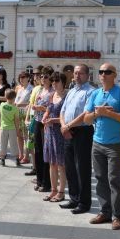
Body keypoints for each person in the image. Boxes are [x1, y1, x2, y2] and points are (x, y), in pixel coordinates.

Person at [83, 64, 120, 230]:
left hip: (115, 144)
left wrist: (109, 113)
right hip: (97, 142)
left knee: (114, 180)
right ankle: (105, 212)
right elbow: (86, 119)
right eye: (101, 71)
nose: (103, 74)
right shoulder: (95, 94)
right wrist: (97, 113)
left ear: (114, 75)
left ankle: (118, 216)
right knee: (100, 178)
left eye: (107, 72)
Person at [59, 64, 94, 214]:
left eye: (80, 73)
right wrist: (63, 126)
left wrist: (68, 126)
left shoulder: (91, 92)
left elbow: (86, 114)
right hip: (67, 130)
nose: (77, 76)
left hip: (82, 131)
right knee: (70, 166)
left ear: (87, 75)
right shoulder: (71, 91)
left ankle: (84, 202)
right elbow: (63, 110)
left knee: (82, 168)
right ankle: (73, 198)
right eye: (75, 73)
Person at [41, 72, 68, 202]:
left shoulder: (67, 96)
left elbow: (67, 118)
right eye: (53, 81)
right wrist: (45, 117)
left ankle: (61, 192)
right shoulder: (52, 95)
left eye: (57, 81)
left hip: (60, 133)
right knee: (52, 163)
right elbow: (48, 110)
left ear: (63, 82)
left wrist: (53, 120)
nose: (54, 83)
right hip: (49, 133)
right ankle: (53, 190)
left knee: (61, 164)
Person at [30, 67, 54, 192]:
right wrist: (35, 108)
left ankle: (46, 183)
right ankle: (39, 180)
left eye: (45, 77)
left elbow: (53, 109)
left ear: (51, 78)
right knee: (37, 150)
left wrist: (41, 108)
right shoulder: (40, 90)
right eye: (42, 76)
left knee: (45, 153)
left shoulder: (52, 92)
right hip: (38, 121)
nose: (42, 79)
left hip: (46, 124)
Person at [24, 67, 44, 177]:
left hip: (39, 119)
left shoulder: (44, 88)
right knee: (31, 145)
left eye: (38, 74)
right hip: (32, 118)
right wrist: (27, 118)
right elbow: (31, 104)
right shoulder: (35, 89)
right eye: (34, 74)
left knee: (38, 146)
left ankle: (38, 168)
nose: (35, 76)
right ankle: (35, 166)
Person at [0, 89, 21, 167]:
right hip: (12, 128)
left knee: (3, 143)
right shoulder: (15, 109)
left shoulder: (2, 105)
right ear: (14, 98)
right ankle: (17, 159)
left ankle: (2, 159)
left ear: (6, 97)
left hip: (3, 127)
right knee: (14, 144)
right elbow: (16, 121)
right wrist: (18, 130)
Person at [14, 72, 33, 163]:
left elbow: (31, 103)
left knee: (26, 136)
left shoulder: (31, 89)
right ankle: (21, 154)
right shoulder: (20, 89)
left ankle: (26, 156)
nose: (21, 79)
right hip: (18, 114)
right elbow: (15, 100)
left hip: (26, 114)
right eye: (20, 77)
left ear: (28, 78)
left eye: (23, 77)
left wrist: (19, 104)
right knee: (19, 135)